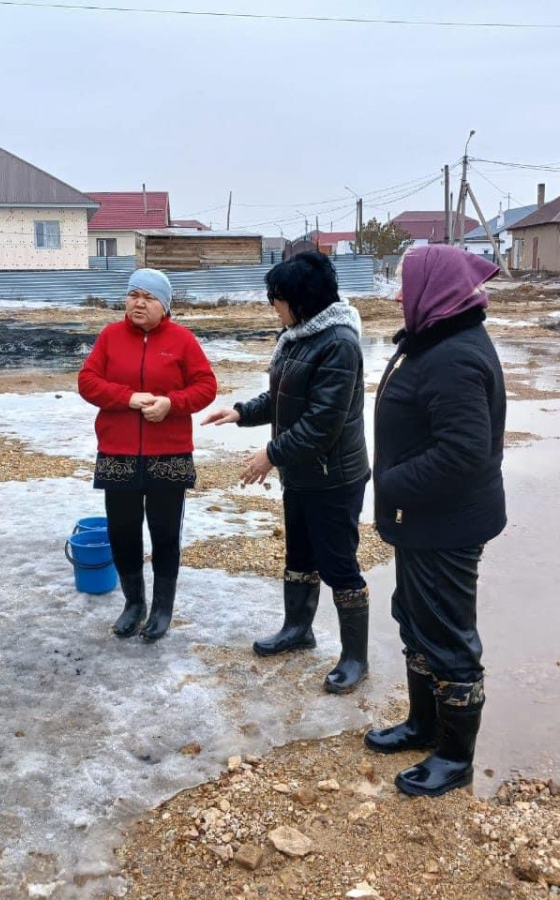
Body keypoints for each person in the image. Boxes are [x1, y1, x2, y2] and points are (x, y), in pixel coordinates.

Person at [363, 244, 507, 798]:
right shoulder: (437, 340)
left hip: (447, 524)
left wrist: (389, 482)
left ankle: (455, 756)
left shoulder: (453, 357)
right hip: (423, 521)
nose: (399, 295)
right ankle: (424, 725)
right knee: (416, 619)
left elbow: (465, 453)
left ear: (434, 291)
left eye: (406, 284)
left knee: (448, 635)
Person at [202, 251, 370, 693]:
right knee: (299, 556)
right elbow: (283, 399)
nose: (273, 305)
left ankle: (356, 657)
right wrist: (240, 412)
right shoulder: (298, 335)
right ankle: (298, 630)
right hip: (302, 474)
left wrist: (271, 454)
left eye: (277, 298)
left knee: (339, 564)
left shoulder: (339, 343)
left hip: (334, 476)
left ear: (303, 298)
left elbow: (321, 423)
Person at [77, 269, 217, 642]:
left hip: (168, 453)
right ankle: (133, 603)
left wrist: (172, 404)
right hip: (118, 452)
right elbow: (87, 382)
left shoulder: (182, 340)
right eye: (133, 294)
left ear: (165, 305)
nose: (139, 303)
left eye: (149, 297)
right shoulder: (110, 337)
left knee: (165, 532)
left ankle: (161, 608)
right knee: (122, 531)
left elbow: (206, 386)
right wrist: (126, 397)